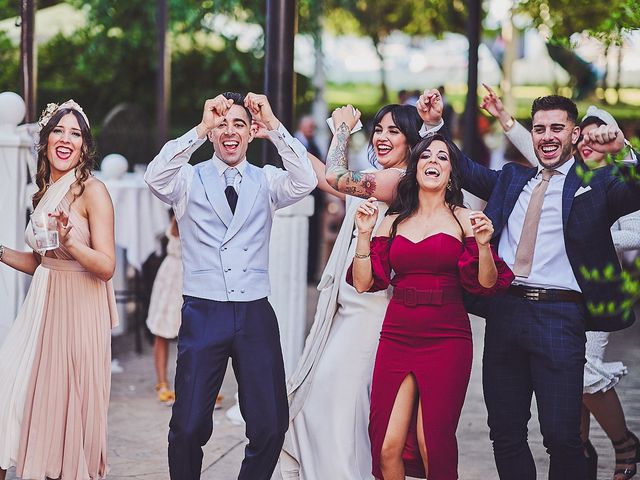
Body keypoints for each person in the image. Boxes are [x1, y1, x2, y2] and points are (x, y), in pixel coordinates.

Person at [416, 90, 640, 479]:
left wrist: (622, 149)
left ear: (574, 135)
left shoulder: (596, 183)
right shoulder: (512, 178)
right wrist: (435, 125)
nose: (546, 136)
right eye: (539, 129)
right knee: (504, 432)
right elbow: (462, 167)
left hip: (560, 315)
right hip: (505, 311)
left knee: (562, 435)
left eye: (557, 128)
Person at [144, 92, 317, 480]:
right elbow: (154, 176)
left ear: (250, 132)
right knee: (188, 427)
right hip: (204, 312)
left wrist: (273, 126)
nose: (229, 131)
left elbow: (305, 179)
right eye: (221, 124)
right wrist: (199, 128)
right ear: (211, 133)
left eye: (238, 123)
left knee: (271, 425)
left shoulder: (267, 180)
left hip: (255, 313)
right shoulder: (187, 179)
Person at [280, 102, 443, 479]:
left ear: (411, 141)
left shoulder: (400, 182)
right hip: (346, 307)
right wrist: (276, 130)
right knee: (326, 404)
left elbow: (336, 177)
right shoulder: (377, 176)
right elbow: (325, 177)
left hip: (373, 314)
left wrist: (341, 130)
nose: (382, 138)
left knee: (332, 403)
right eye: (379, 130)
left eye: (394, 132)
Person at [347, 134, 514, 479]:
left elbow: (485, 284)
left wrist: (483, 246)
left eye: (442, 157)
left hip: (446, 337)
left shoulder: (466, 219)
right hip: (397, 334)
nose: (433, 161)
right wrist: (364, 236)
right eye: (425, 156)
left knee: (432, 443)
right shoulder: (392, 220)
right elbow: (364, 282)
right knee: (385, 445)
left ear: (451, 173)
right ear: (416, 167)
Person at [0, 100, 118, 480]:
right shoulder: (44, 191)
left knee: (62, 411)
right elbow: (41, 262)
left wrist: (73, 242)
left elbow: (106, 266)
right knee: (7, 394)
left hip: (79, 313)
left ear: (85, 146)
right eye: (59, 131)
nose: (66, 139)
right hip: (41, 307)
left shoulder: (92, 191)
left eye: (76, 133)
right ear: (46, 140)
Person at [145, 214, 182, 405]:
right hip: (173, 275)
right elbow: (176, 229)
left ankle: (191, 385)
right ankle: (162, 382)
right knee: (162, 330)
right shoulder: (179, 212)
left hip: (194, 275)